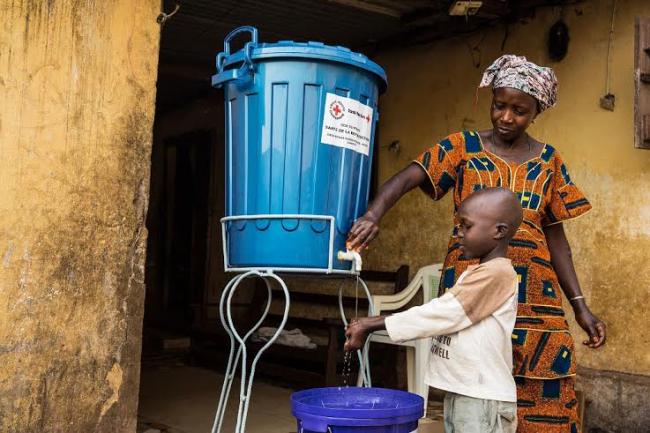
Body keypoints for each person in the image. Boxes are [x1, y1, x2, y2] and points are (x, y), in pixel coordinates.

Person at [346, 55, 606, 433]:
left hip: (537, 297)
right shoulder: (462, 147)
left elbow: (557, 239)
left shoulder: (549, 161)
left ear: (536, 111)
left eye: (519, 110)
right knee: (475, 380)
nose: (506, 117)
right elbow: (405, 179)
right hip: (473, 285)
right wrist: (373, 215)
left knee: (546, 386)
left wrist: (581, 307)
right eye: (499, 105)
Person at [346, 187, 523, 433]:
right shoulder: (480, 272)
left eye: (467, 226)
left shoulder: (496, 274)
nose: (458, 233)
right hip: (466, 391)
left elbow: (442, 313)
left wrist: (372, 323)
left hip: (481, 398)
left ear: (499, 231)